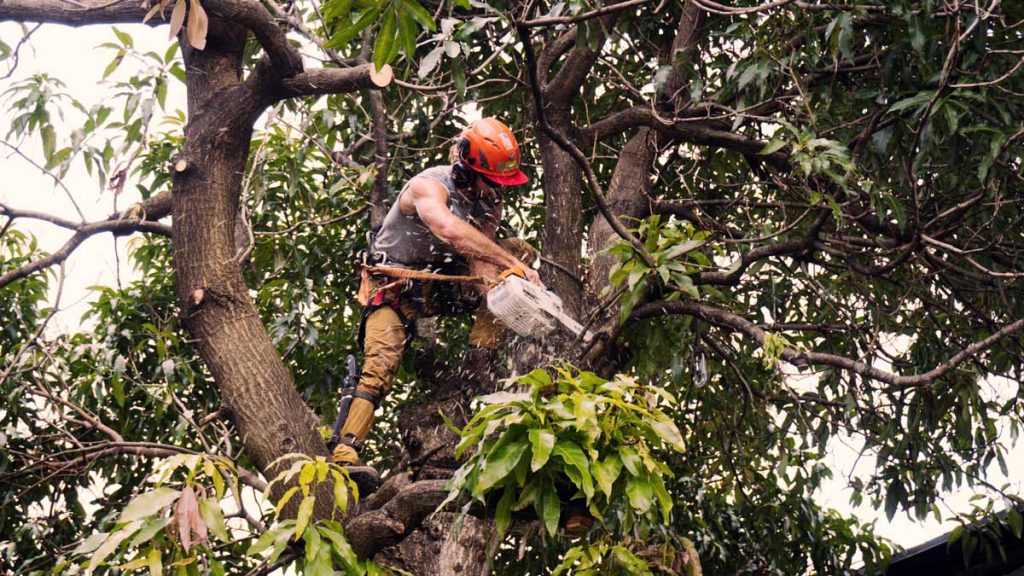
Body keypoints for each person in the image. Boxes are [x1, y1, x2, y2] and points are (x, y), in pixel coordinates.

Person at [332, 117, 544, 491]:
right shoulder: (428, 186)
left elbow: (480, 262)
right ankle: (344, 454)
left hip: (443, 286)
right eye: (490, 180)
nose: (494, 190)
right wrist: (509, 266)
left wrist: (514, 285)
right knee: (381, 363)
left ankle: (480, 359)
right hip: (395, 288)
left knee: (516, 252)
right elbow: (447, 229)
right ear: (465, 169)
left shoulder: (488, 201)